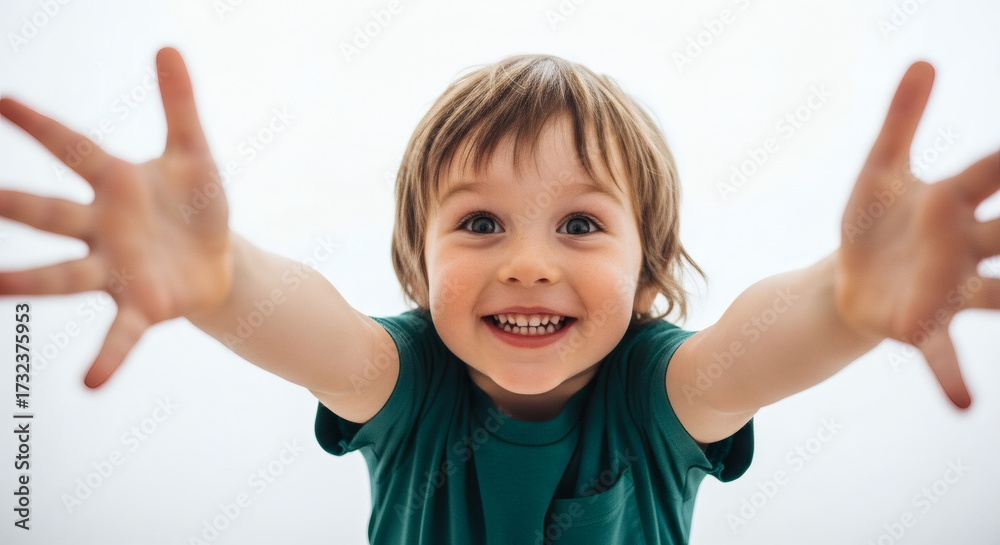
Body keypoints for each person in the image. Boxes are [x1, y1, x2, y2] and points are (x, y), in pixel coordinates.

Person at [0, 47, 996, 544]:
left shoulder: (659, 395)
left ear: (648, 276)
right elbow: (305, 323)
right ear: (417, 268)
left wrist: (847, 298)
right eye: (479, 223)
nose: (526, 262)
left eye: (580, 225)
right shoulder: (406, 381)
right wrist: (220, 279)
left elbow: (755, 349)